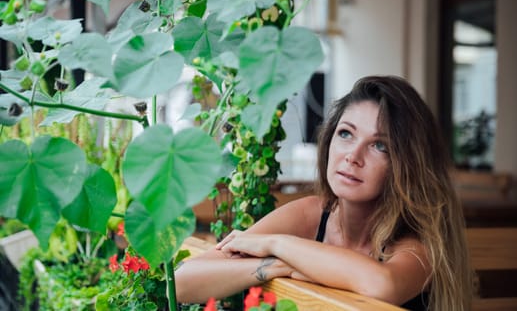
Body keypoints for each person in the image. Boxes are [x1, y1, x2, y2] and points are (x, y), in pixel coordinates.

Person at [175, 75, 473, 311]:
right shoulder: (312, 213)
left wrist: (277, 243)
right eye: (346, 134)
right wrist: (277, 264)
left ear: (406, 164)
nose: (353, 156)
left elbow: (382, 286)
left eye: (379, 145)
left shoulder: (417, 243)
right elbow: (182, 280)